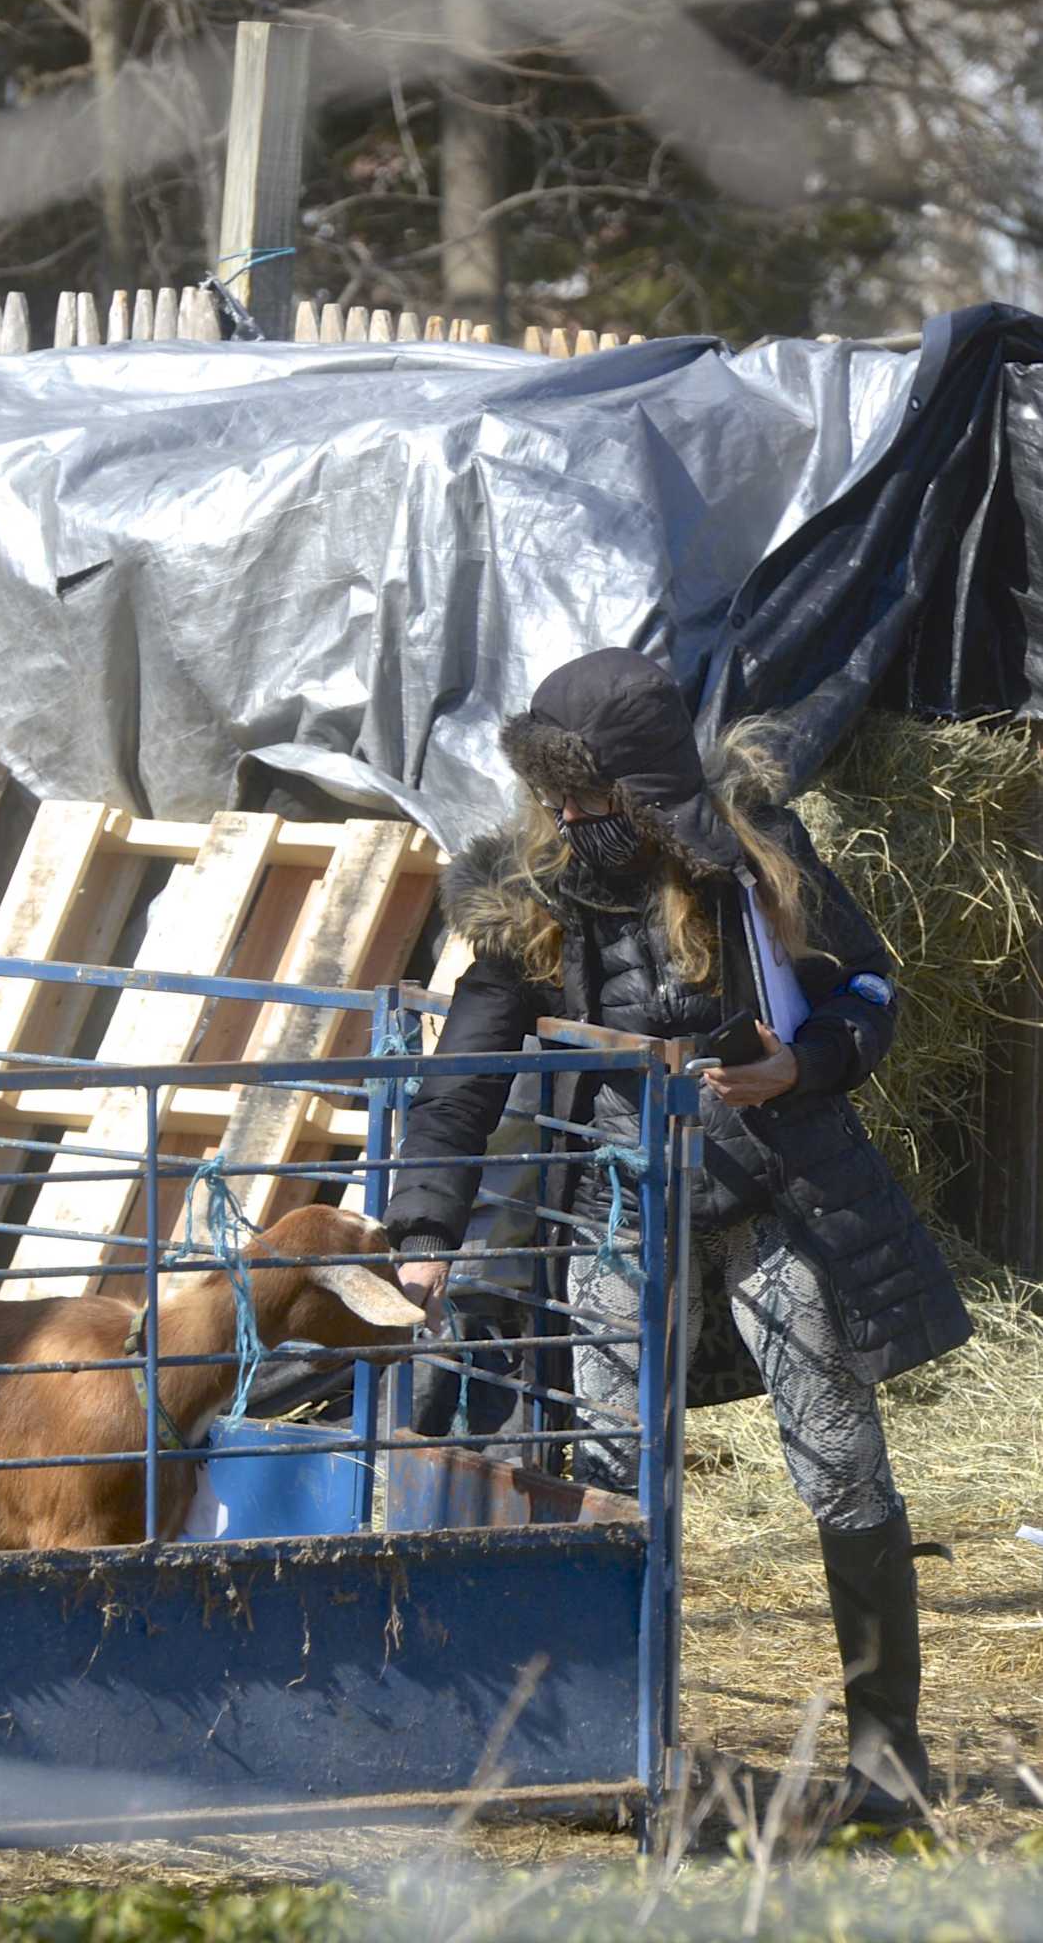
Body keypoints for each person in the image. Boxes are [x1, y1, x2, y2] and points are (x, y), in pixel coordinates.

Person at [378, 647, 972, 1826]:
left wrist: (800, 1062)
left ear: (647, 790)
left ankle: (886, 1758)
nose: (572, 818)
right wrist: (421, 1227)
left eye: (594, 797)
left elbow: (869, 989)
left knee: (839, 1458)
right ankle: (615, 1754)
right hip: (616, 1209)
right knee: (608, 1470)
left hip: (772, 1194)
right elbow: (462, 1076)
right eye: (559, 797)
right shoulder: (520, 893)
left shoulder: (755, 858)